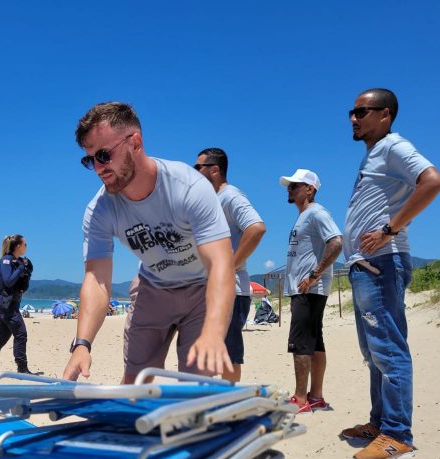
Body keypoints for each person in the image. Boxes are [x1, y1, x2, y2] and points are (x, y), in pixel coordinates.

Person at [63, 102, 234, 383]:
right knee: (135, 385)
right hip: (152, 289)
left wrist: (214, 332)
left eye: (103, 155)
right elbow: (96, 279)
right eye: (89, 160)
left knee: (195, 390)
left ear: (136, 142)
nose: (98, 168)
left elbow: (220, 263)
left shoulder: (188, 187)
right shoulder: (99, 210)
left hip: (202, 290)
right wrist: (82, 344)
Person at [340, 88, 440, 459]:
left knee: (389, 349)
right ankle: (381, 423)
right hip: (366, 264)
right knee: (373, 353)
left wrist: (389, 228)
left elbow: (433, 180)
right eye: (351, 112)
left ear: (384, 115)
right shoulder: (376, 153)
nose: (353, 118)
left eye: (361, 111)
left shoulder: (394, 146)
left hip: (383, 261)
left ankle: (398, 433)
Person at [195, 147, 265, 382]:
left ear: (214, 170)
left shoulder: (231, 196)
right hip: (216, 289)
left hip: (231, 290)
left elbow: (256, 228)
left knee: (228, 352)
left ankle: (230, 407)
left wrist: (229, 267)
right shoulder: (214, 199)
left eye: (198, 168)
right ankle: (219, 403)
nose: (194, 173)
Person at [279, 169, 342, 413]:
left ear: (310, 189)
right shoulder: (305, 215)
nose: (290, 188)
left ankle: (300, 399)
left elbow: (336, 242)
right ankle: (315, 397)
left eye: (295, 185)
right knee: (315, 342)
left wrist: (314, 275)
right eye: (290, 185)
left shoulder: (316, 213)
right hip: (308, 289)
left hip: (308, 289)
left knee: (301, 343)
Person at [0, 235, 35, 377]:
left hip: (11, 304)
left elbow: (26, 275)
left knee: (1, 337)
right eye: (25, 244)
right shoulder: (6, 261)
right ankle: (22, 368)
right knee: (21, 334)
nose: (26, 246)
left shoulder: (16, 261)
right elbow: (8, 281)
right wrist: (21, 267)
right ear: (18, 246)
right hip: (6, 304)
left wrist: (25, 265)